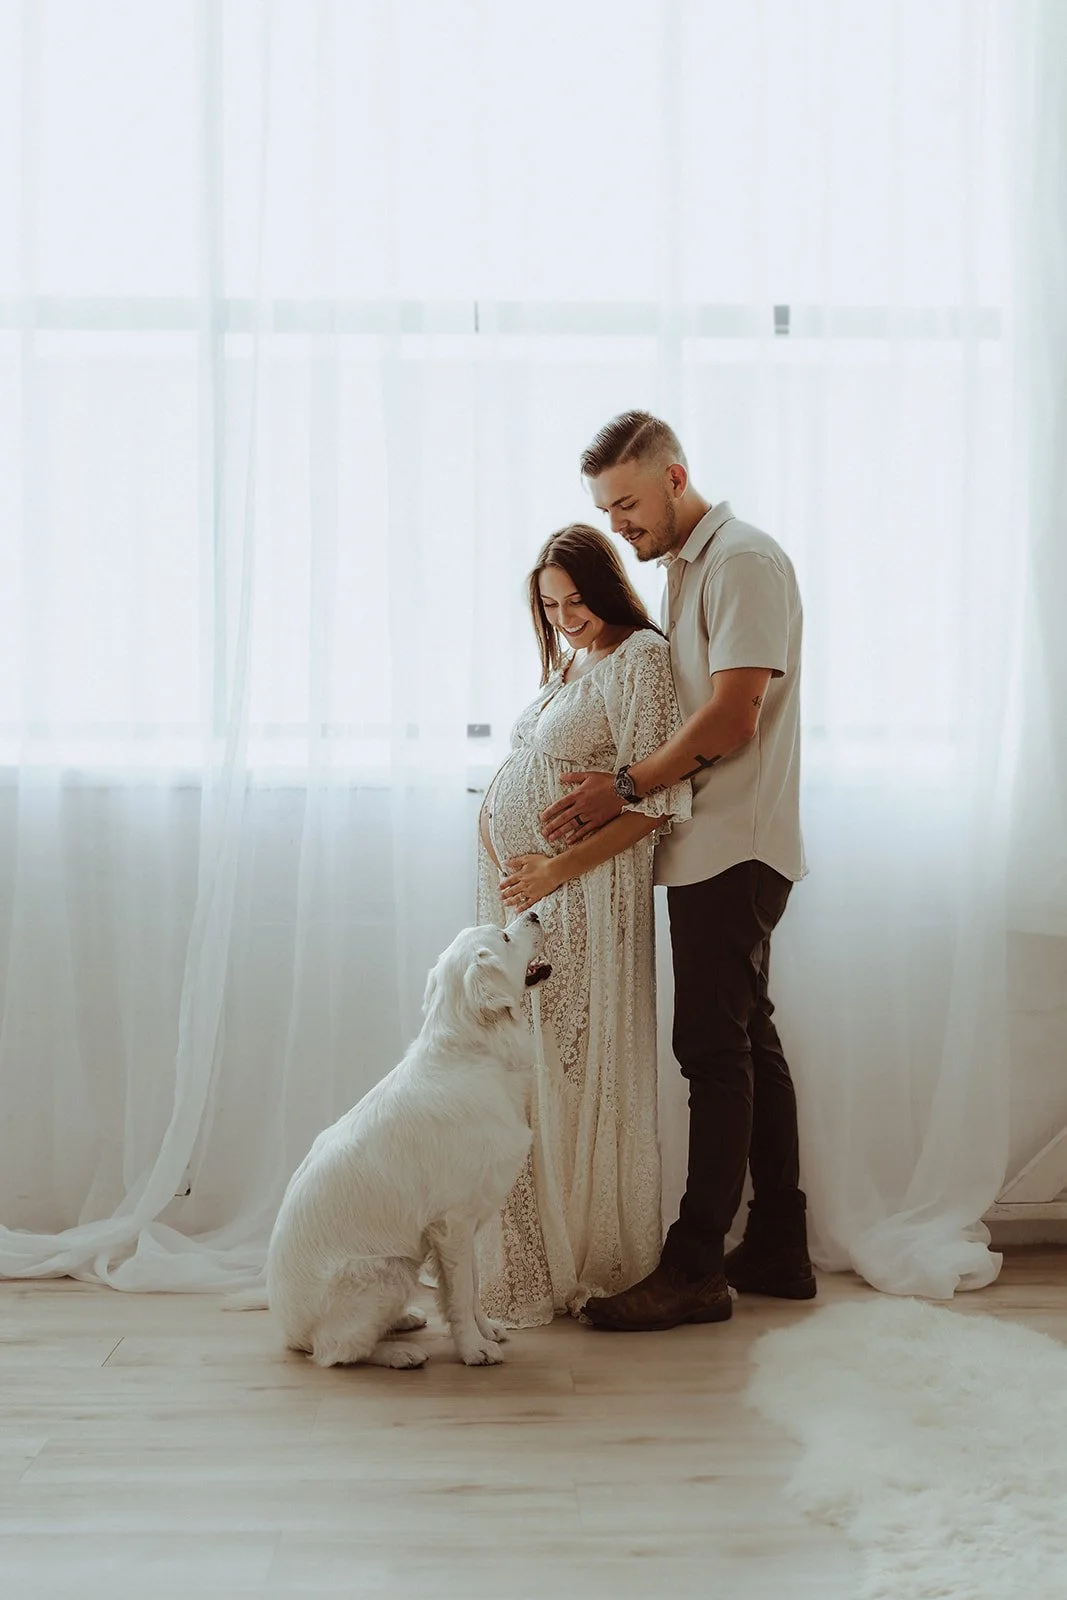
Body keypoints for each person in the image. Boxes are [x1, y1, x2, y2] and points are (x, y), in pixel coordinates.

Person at [541, 411, 814, 1333]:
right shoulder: (692, 569)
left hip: (734, 842)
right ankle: (778, 1243)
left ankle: (695, 1266)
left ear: (674, 477)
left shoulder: (741, 561)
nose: (619, 523)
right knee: (748, 1038)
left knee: (711, 1051)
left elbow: (735, 716)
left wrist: (621, 787)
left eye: (626, 503)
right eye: (604, 508)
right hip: (713, 844)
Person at [475, 524, 691, 1326]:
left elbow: (657, 803)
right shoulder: (574, 661)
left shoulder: (639, 657)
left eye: (576, 600)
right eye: (549, 605)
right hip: (530, 893)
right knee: (529, 1070)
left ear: (606, 587)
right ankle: (530, 1248)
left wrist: (552, 871)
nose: (565, 616)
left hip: (583, 892)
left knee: (571, 1063)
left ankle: (588, 1250)